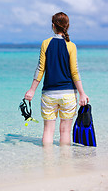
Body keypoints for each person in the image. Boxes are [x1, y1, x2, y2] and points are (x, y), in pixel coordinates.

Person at [24, 12, 89, 146]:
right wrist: (82, 93)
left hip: (49, 94)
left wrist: (31, 90)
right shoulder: (71, 45)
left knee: (48, 131)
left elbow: (40, 69)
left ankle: (47, 164)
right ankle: (65, 165)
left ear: (53, 26)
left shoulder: (45, 43)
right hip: (68, 95)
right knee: (65, 132)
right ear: (67, 26)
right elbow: (74, 72)